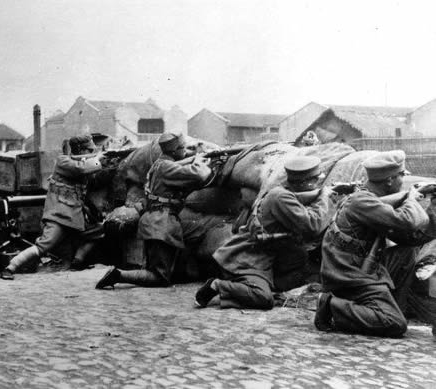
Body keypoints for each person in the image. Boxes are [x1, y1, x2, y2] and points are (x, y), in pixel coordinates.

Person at [314, 150, 431, 337]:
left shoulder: (367, 198)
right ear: (390, 180)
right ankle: (330, 305)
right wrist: (411, 198)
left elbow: (410, 236)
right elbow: (407, 221)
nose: (403, 181)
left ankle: (391, 306)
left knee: (407, 251)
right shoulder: (362, 201)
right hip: (347, 275)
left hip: (357, 265)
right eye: (401, 176)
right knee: (394, 324)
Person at [194, 155, 332, 310]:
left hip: (266, 258)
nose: (318, 185)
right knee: (264, 299)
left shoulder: (282, 191)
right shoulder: (280, 197)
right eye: (316, 181)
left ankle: (245, 289)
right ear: (305, 182)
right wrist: (324, 197)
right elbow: (313, 225)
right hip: (247, 259)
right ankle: (217, 285)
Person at [95, 133, 212, 289]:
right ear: (174, 150)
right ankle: (119, 275)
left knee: (166, 267)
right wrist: (198, 162)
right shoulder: (166, 167)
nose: (185, 151)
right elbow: (201, 175)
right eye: (183, 148)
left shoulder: (157, 165)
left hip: (155, 221)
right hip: (161, 223)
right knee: (159, 277)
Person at [0, 135, 104, 280]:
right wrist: (98, 158)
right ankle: (11, 267)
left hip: (75, 217)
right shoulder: (63, 161)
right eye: (89, 149)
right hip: (59, 216)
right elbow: (81, 169)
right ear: (80, 150)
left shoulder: (83, 164)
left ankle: (77, 262)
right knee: (45, 246)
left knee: (99, 230)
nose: (92, 152)